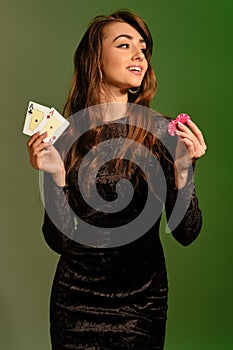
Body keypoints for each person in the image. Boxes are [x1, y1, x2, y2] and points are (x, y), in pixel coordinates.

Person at [27, 10, 206, 350]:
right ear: (95, 58)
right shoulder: (64, 137)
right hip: (74, 303)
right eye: (124, 45)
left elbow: (187, 233)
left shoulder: (163, 132)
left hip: (142, 304)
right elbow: (59, 241)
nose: (139, 54)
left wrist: (184, 172)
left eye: (143, 47)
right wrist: (55, 178)